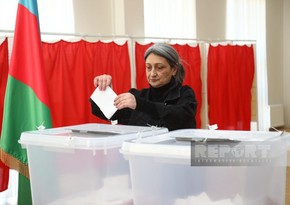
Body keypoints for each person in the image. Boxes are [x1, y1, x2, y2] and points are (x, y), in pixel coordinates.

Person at [90, 43, 197, 131]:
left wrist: (140, 104)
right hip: (139, 155)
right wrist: (103, 90)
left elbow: (181, 116)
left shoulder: (184, 94)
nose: (152, 73)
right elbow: (108, 112)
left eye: (159, 68)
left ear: (174, 69)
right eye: (148, 67)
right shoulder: (137, 95)